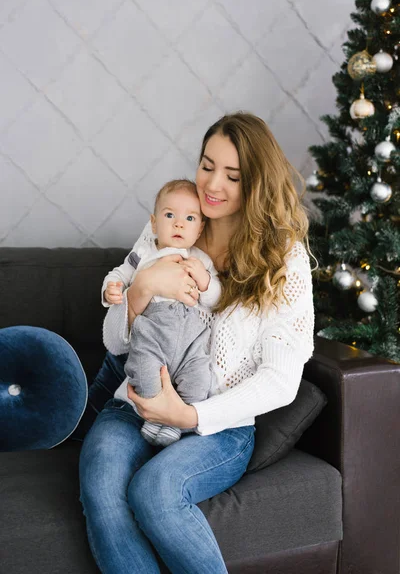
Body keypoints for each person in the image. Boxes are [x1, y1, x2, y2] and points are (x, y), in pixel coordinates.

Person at [79, 112, 314, 574]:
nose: (212, 184)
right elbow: (115, 342)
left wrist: (188, 415)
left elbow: (282, 381)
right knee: (101, 486)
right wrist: (141, 290)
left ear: (257, 183)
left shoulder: (283, 257)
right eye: (207, 165)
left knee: (155, 491)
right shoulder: (175, 219)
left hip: (218, 427)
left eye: (233, 175)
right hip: (134, 403)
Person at [101, 179, 220, 447]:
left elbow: (215, 299)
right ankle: (154, 416)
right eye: (170, 215)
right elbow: (120, 273)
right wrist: (111, 288)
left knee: (200, 378)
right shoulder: (143, 253)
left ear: (200, 229)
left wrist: (204, 281)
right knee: (142, 369)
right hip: (151, 332)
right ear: (154, 224)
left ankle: (173, 423)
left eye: (189, 218)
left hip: (190, 339)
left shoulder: (200, 260)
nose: (179, 224)